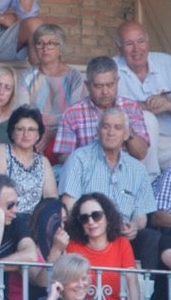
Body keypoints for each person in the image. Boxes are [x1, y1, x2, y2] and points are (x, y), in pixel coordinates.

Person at [57, 108, 160, 271]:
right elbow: (69, 207)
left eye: (118, 128)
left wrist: (133, 226)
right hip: (89, 229)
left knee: (151, 238)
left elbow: (141, 216)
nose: (111, 132)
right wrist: (95, 226)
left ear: (126, 135)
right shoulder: (79, 159)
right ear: (98, 131)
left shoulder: (137, 169)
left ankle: (147, 293)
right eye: (106, 127)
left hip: (123, 235)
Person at [115, 21, 171, 173]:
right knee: (146, 118)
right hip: (131, 144)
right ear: (119, 47)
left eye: (141, 41)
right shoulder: (112, 68)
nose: (136, 49)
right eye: (129, 44)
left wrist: (169, 103)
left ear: (148, 41)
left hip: (170, 143)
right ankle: (149, 181)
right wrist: (148, 106)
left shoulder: (169, 63)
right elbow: (108, 107)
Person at [53, 56, 151, 163]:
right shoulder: (72, 114)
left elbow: (141, 154)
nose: (105, 92)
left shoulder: (131, 108)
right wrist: (90, 163)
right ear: (88, 85)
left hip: (125, 174)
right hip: (87, 175)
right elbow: (64, 157)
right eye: (98, 86)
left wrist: (127, 130)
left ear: (117, 81)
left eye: (110, 85)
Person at [19, 24, 87, 162]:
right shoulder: (27, 76)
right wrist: (40, 131)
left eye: (51, 43)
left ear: (61, 48)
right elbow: (23, 111)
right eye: (40, 43)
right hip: (34, 133)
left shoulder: (74, 77)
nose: (45, 48)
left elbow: (75, 116)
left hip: (66, 133)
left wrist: (52, 132)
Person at [0, 105, 56, 215]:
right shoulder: (1, 152)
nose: (26, 134)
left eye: (31, 130)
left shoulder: (43, 162)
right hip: (5, 217)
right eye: (20, 129)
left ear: (38, 135)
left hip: (33, 223)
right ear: (12, 133)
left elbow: (51, 198)